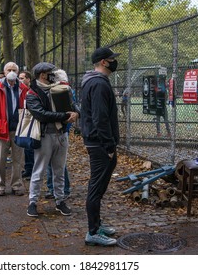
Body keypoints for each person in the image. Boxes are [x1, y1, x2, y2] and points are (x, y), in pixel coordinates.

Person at [26, 62, 79, 217]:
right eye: (51, 73)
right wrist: (65, 116)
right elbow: (40, 114)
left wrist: (76, 113)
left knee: (59, 170)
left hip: (61, 135)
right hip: (44, 136)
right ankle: (32, 203)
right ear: (43, 74)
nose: (54, 75)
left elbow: (73, 105)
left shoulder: (59, 88)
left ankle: (60, 201)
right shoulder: (32, 94)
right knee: (39, 170)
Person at [80, 47, 120, 246]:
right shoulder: (98, 84)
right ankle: (93, 232)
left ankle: (96, 225)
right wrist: (109, 145)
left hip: (98, 142)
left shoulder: (94, 81)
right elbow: (100, 118)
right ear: (104, 62)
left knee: (98, 186)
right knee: (96, 188)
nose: (115, 61)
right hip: (100, 144)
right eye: (112, 59)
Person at [0, 62, 29, 196]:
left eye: (14, 70)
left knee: (18, 160)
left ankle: (16, 185)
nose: (11, 72)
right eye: (9, 69)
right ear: (4, 72)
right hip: (1, 131)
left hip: (18, 130)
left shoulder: (23, 88)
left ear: (17, 72)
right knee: (0, 160)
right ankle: (1, 186)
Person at [44, 69, 79, 200]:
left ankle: (60, 188)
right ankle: (54, 188)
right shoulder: (63, 89)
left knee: (57, 163)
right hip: (58, 129)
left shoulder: (66, 90)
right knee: (54, 162)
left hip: (60, 130)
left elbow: (71, 110)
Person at [19, 70, 34, 179]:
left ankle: (32, 170)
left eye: (22, 78)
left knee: (31, 147)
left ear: (28, 79)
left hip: (32, 121)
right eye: (19, 78)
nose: (20, 80)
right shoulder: (20, 90)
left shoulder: (32, 90)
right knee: (26, 147)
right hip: (24, 120)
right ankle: (28, 168)